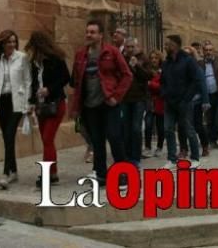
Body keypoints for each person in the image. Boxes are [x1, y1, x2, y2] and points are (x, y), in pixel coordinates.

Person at [71, 19, 132, 185]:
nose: (88, 35)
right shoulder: (81, 54)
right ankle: (101, 174)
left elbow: (127, 75)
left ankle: (123, 174)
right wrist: (76, 106)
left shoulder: (111, 52)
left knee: (114, 136)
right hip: (90, 105)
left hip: (108, 102)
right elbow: (78, 82)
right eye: (87, 32)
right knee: (96, 141)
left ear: (100, 35)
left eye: (92, 32)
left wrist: (116, 96)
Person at [0, 29, 32, 189]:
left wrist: (27, 104)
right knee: (6, 137)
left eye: (14, 41)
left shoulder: (22, 58)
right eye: (8, 42)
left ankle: (5, 174)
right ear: (2, 43)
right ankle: (14, 171)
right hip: (1, 102)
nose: (12, 44)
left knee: (10, 135)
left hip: (16, 102)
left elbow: (28, 81)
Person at [25, 31, 70, 187]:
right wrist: (31, 102)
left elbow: (66, 78)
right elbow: (33, 84)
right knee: (46, 140)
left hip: (56, 104)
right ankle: (53, 173)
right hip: (41, 106)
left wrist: (49, 89)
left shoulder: (55, 59)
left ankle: (48, 175)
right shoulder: (35, 64)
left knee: (47, 138)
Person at [161, 34, 203, 167]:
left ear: (175, 45)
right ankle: (172, 158)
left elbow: (195, 80)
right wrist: (164, 93)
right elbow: (163, 80)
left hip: (184, 102)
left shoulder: (188, 60)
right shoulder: (166, 62)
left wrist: (187, 98)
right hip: (170, 101)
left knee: (188, 129)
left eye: (167, 44)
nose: (165, 46)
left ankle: (195, 157)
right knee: (168, 129)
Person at [122, 39, 150, 167]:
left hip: (139, 98)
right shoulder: (121, 58)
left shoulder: (143, 58)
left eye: (132, 46)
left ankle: (136, 157)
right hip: (125, 98)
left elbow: (148, 76)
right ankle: (127, 156)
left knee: (136, 128)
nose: (130, 49)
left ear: (136, 47)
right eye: (127, 47)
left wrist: (137, 66)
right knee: (126, 128)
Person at [144, 50, 165, 157]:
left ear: (159, 59)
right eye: (151, 58)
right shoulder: (147, 71)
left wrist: (151, 84)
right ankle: (147, 147)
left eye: (156, 58)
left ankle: (159, 147)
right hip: (149, 101)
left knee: (160, 126)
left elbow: (162, 87)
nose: (153, 60)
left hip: (160, 101)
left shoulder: (163, 71)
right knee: (148, 125)